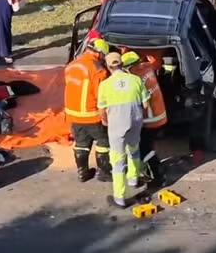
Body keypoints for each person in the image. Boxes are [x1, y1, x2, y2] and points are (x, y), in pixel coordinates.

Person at [97, 51, 150, 208]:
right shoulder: (136, 80)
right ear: (122, 64)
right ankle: (133, 179)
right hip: (135, 121)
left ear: (108, 67)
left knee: (118, 161)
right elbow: (145, 104)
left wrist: (105, 121)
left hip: (117, 125)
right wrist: (140, 117)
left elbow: (101, 109)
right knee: (134, 149)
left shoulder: (105, 85)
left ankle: (119, 197)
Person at [64, 36, 113, 183]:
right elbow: (102, 96)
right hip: (92, 115)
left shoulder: (71, 65)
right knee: (103, 143)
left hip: (73, 115)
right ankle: (104, 173)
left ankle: (82, 173)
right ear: (99, 53)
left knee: (81, 144)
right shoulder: (98, 70)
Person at [121, 51, 168, 187]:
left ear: (129, 67)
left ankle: (158, 176)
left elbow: (136, 102)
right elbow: (155, 62)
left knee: (144, 149)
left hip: (150, 119)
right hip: (160, 115)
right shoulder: (147, 67)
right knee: (146, 145)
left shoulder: (135, 79)